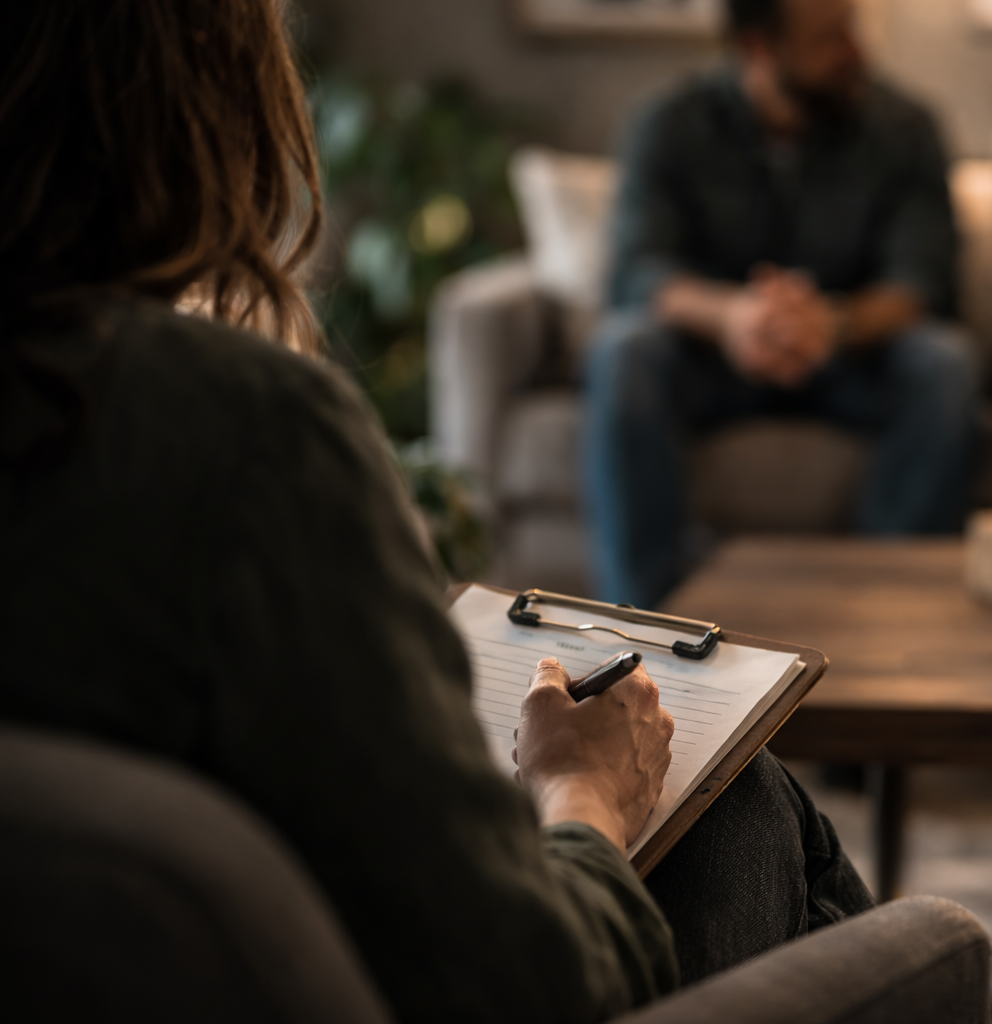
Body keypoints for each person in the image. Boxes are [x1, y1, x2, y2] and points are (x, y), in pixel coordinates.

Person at [0, 2, 871, 1022]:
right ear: (203, 99)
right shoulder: (242, 435)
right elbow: (528, 985)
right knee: (743, 803)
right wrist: (582, 793)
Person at [585, 0, 980, 608]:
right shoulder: (669, 124)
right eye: (830, 38)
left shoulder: (905, 127)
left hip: (852, 355)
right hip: (714, 357)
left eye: (853, 28)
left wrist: (833, 323)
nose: (856, 51)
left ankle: (896, 607)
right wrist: (734, 317)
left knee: (945, 364)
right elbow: (639, 271)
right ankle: (649, 621)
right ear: (757, 47)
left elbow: (923, 280)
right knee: (624, 352)